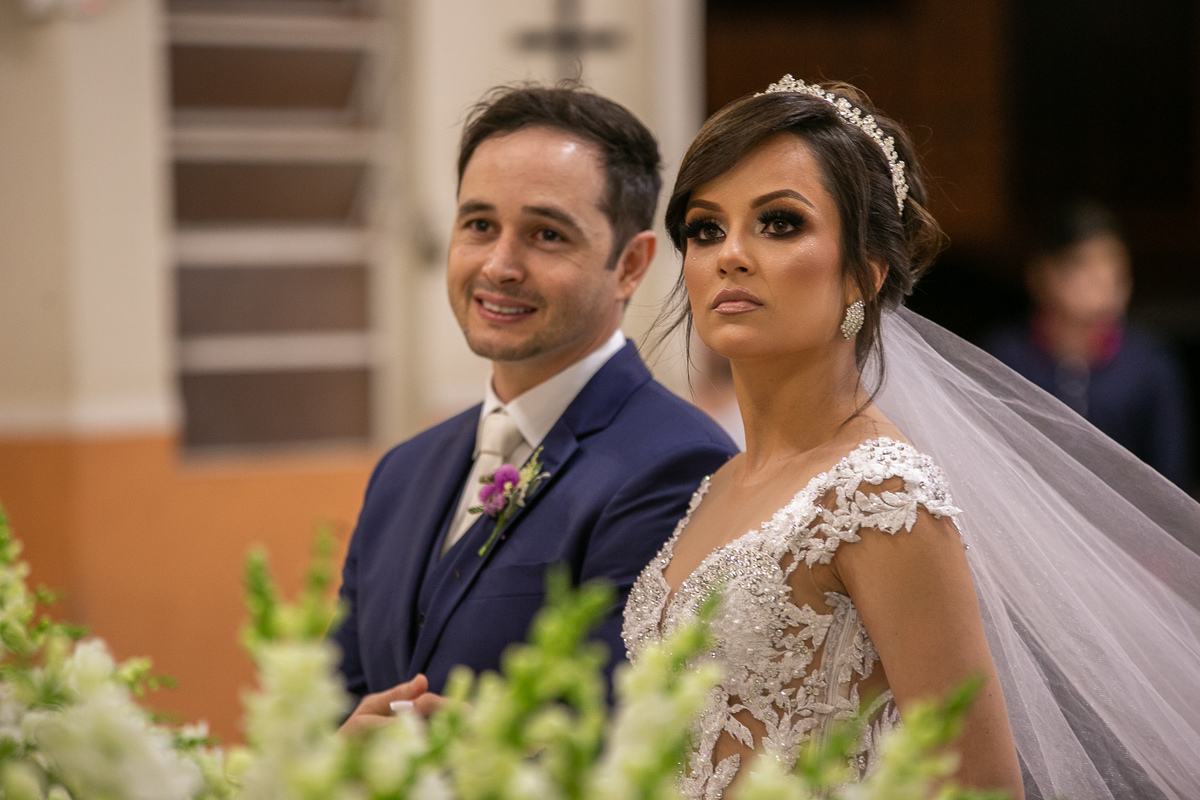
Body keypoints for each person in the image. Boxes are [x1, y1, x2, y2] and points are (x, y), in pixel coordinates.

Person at [623, 76, 1200, 800]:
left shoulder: (879, 494)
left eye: (779, 223)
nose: (729, 253)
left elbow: (978, 785)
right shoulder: (717, 484)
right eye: (705, 228)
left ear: (863, 276)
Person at [334, 84, 737, 730]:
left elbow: (629, 738)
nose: (499, 264)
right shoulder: (401, 473)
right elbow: (332, 702)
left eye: (546, 234)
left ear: (630, 265)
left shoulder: (680, 465)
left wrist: (457, 755)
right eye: (479, 225)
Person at [985, 200, 1190, 488]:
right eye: (1084, 263)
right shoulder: (1005, 357)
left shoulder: (1150, 365)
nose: (1103, 277)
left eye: (1113, 263)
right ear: (1043, 273)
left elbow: (1169, 481)